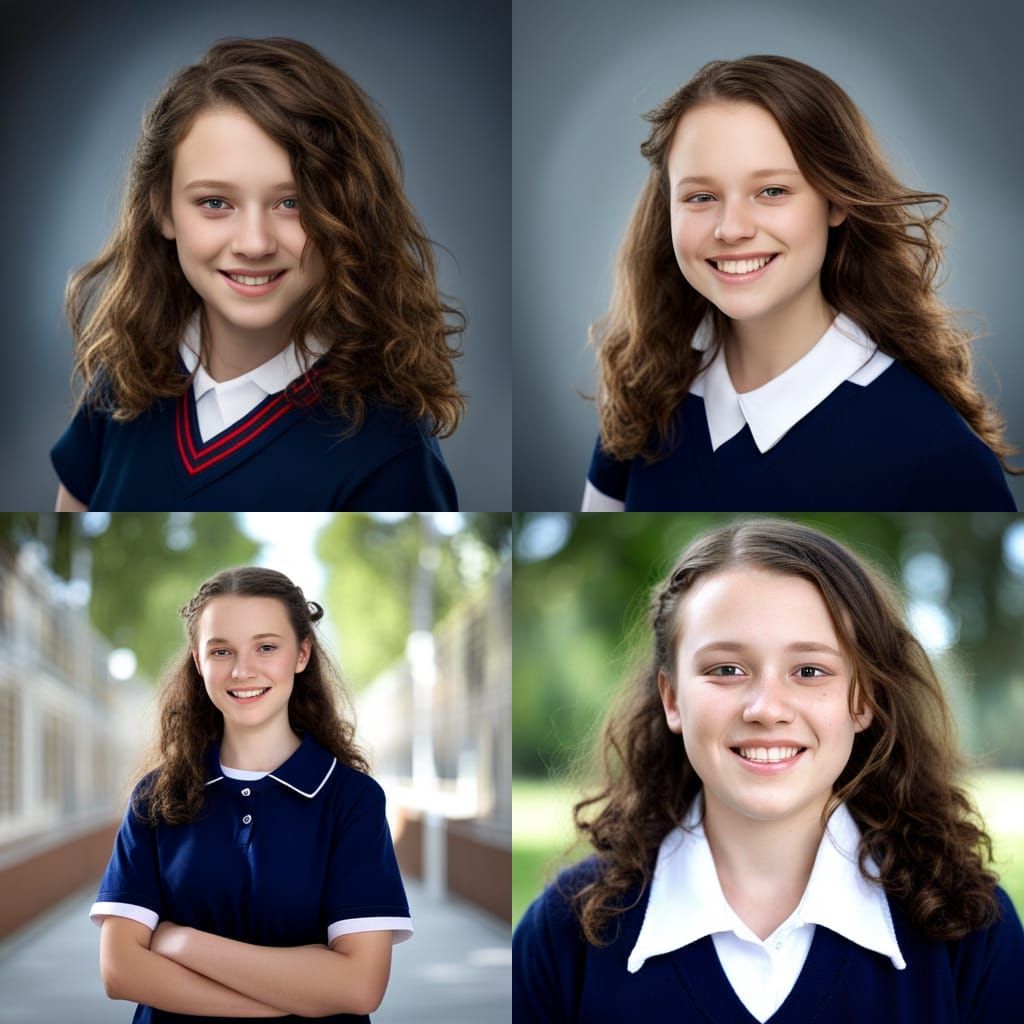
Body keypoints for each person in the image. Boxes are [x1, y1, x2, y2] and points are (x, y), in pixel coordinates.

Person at [514, 519, 1024, 1022]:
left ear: (864, 698)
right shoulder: (564, 935)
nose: (766, 708)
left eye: (809, 671)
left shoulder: (973, 933)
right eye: (726, 670)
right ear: (672, 699)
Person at [582, 55, 1017, 512]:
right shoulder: (641, 396)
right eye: (701, 197)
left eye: (772, 191)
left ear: (836, 200)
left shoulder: (937, 450)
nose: (731, 229)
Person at [52, 37, 463, 511]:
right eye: (215, 203)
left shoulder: (393, 456)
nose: (254, 243)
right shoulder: (122, 381)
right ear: (161, 210)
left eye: (292, 203)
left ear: (346, 211)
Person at [92, 567, 411, 1022]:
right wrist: (294, 998)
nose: (242, 670)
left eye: (266, 647)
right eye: (221, 650)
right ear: (199, 662)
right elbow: (120, 971)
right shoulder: (155, 798)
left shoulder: (352, 800)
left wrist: (182, 942)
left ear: (301, 654)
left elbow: (359, 987)